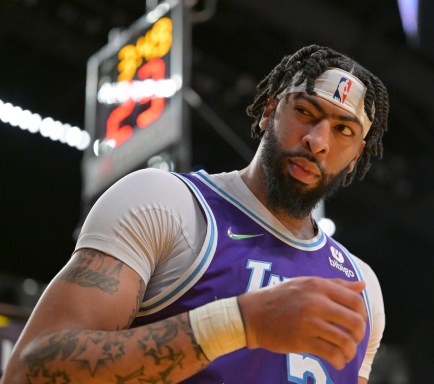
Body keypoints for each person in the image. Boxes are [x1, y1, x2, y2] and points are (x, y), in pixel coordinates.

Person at [2, 44, 389, 383]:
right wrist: (238, 323)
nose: (318, 141)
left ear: (356, 156)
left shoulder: (362, 286)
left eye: (343, 130)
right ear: (269, 110)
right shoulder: (166, 203)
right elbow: (29, 372)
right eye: (306, 111)